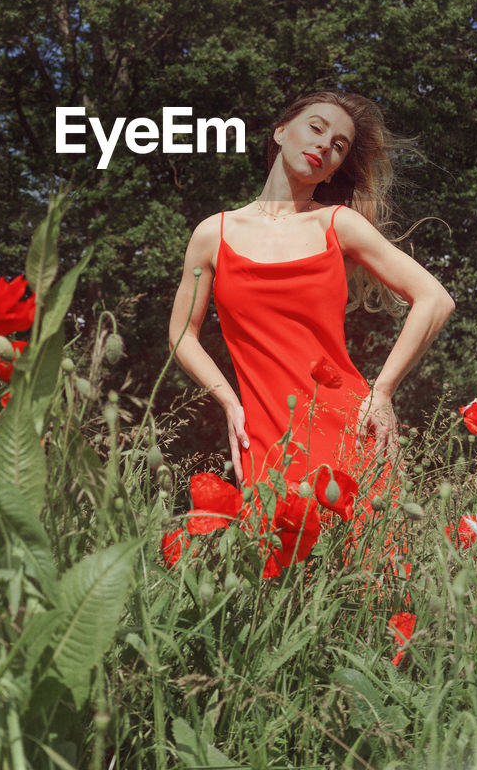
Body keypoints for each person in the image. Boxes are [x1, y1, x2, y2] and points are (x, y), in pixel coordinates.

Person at [167, 91, 454, 507]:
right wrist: (230, 403)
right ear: (281, 132)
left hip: (350, 432)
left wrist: (383, 391)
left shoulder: (339, 225)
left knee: (369, 572)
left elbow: (435, 299)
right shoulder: (214, 234)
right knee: (277, 566)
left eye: (338, 145)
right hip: (265, 437)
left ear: (334, 169)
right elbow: (181, 334)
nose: (325, 144)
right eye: (316, 128)